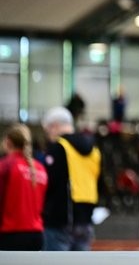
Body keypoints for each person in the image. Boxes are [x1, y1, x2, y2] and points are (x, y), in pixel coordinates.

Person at [41, 106, 101, 251]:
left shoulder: (58, 148)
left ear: (54, 126)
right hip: (86, 219)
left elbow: (49, 182)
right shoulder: (94, 150)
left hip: (60, 219)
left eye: (48, 130)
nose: (48, 134)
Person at [0, 124, 48, 250]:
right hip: (37, 235)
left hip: (10, 234)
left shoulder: (5, 166)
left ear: (8, 142)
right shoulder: (40, 168)